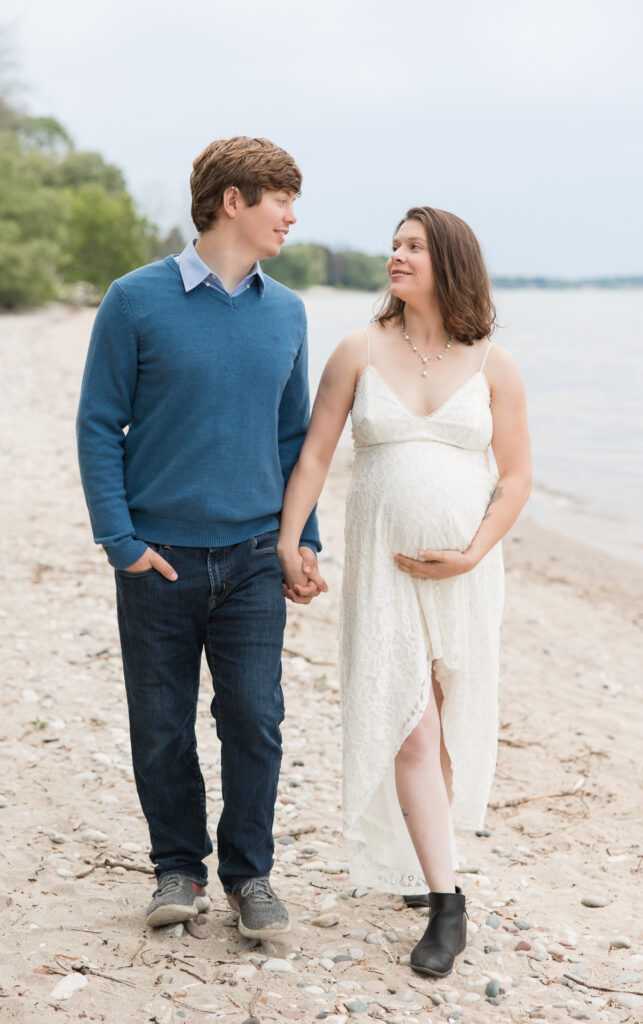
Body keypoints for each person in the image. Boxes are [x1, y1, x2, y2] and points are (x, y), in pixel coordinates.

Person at [76, 137, 326, 939]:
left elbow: (294, 440)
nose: (290, 213)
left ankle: (249, 877)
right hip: (158, 559)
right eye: (278, 198)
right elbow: (96, 424)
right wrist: (119, 540)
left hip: (255, 556)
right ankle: (175, 868)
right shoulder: (134, 300)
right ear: (232, 201)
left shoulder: (286, 312)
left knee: (254, 717)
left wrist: (303, 538)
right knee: (161, 722)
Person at [278, 206, 531, 977]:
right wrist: (291, 539)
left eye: (413, 247)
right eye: (393, 244)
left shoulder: (493, 363)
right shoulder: (357, 350)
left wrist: (471, 552)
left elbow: (517, 477)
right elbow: (316, 454)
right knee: (410, 726)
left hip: (467, 573)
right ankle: (448, 908)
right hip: (383, 574)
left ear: (449, 262)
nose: (395, 255)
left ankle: (429, 865)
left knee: (450, 726)